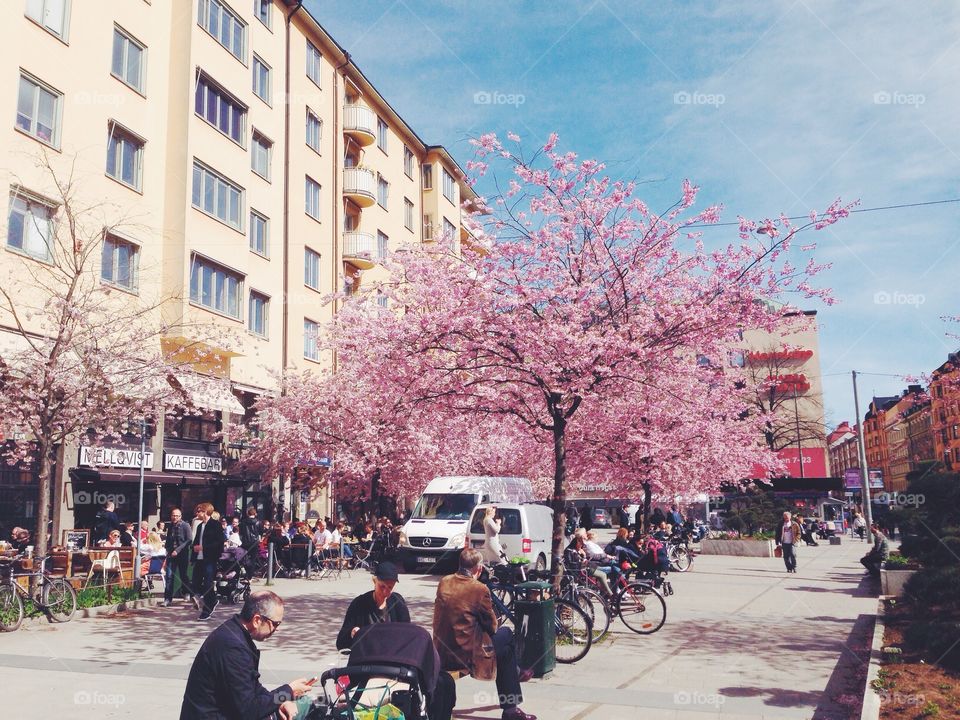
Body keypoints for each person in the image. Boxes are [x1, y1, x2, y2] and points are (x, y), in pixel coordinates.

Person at [433, 548, 535, 720]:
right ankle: (511, 706)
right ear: (478, 569)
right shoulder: (479, 589)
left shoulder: (445, 581)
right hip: (466, 652)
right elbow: (492, 626)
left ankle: (515, 678)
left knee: (504, 652)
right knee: (506, 636)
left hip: (442, 649)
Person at [179, 590, 313, 720]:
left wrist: (281, 702)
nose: (277, 630)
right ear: (257, 620)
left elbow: (252, 687)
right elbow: (249, 711)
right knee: (303, 706)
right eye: (275, 624)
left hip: (222, 712)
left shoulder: (237, 633)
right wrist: (287, 691)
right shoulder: (233, 648)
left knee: (303, 704)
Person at [336, 561, 410, 649]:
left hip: (391, 657)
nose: (385, 592)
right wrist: (352, 633)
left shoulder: (398, 602)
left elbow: (408, 634)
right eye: (382, 586)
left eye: (390, 587)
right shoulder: (359, 603)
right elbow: (341, 644)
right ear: (374, 581)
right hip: (366, 658)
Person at [192, 502, 226, 620]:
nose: (197, 513)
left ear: (206, 512)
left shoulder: (215, 525)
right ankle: (213, 599)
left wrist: (204, 547)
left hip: (210, 558)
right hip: (199, 558)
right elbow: (196, 541)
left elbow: (219, 543)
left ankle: (207, 609)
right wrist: (194, 550)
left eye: (199, 511)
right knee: (195, 582)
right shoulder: (200, 526)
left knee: (207, 583)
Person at [164, 507, 194, 607]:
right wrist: (168, 549)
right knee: (169, 576)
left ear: (180, 516)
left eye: (177, 516)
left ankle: (187, 592)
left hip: (182, 554)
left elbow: (189, 540)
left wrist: (177, 550)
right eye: (173, 515)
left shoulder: (185, 526)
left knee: (183, 575)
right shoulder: (170, 526)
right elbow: (168, 539)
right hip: (171, 555)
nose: (175, 517)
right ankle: (167, 599)